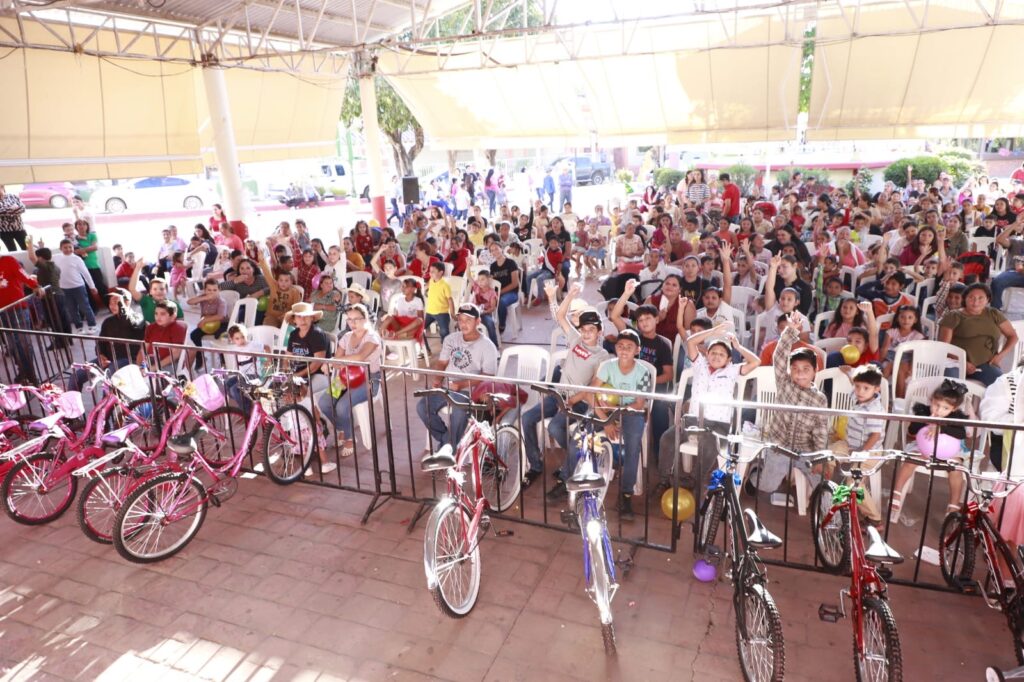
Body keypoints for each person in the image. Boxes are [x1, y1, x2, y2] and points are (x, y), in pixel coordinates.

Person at [655, 322, 759, 496]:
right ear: (707, 354)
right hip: (692, 419)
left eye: (721, 354)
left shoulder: (733, 370)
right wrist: (713, 332)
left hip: (718, 425)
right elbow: (690, 342)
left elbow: (755, 361)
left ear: (729, 359)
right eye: (713, 353)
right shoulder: (700, 365)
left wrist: (738, 347)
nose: (716, 356)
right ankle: (663, 479)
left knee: (709, 445)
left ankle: (695, 481)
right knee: (667, 439)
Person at [529, 286, 610, 493]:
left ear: (599, 332)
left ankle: (568, 471)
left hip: (580, 402)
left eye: (591, 330)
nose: (586, 333)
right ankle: (540, 464)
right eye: (583, 329)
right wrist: (568, 296)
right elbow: (561, 316)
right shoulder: (575, 340)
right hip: (559, 395)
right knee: (527, 419)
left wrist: (573, 400)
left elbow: (593, 387)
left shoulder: (602, 356)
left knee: (555, 428)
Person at [755, 312, 830, 506]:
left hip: (805, 450)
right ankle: (755, 477)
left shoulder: (819, 399)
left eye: (806, 369)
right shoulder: (784, 382)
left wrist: (819, 458)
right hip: (779, 446)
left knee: (824, 487)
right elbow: (779, 355)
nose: (800, 373)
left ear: (815, 372)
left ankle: (833, 524)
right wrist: (791, 331)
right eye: (795, 368)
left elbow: (821, 431)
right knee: (765, 487)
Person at [416, 303, 499, 448]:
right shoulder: (451, 339)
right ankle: (447, 441)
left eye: (468, 320)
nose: (463, 324)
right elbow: (442, 363)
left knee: (459, 413)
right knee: (423, 407)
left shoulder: (488, 346)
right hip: (448, 386)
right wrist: (437, 380)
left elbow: (488, 376)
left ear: (478, 322)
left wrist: (461, 385)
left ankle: (450, 449)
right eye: (460, 320)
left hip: (469, 390)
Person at [889, 379, 971, 522]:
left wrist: (941, 428)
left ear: (953, 409)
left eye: (945, 408)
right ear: (931, 400)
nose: (938, 410)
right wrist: (925, 422)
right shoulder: (925, 412)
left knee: (956, 469)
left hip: (949, 451)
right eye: (936, 405)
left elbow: (961, 434)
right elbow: (911, 431)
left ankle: (953, 504)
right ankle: (897, 491)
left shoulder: (955, 418)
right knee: (910, 460)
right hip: (924, 447)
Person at [589, 329, 650, 521]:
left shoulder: (643, 372)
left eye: (629, 347)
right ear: (615, 348)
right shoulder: (606, 366)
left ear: (637, 350)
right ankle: (585, 485)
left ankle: (626, 495)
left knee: (632, 448)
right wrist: (605, 419)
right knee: (584, 436)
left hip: (631, 413)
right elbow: (591, 393)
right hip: (605, 411)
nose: (624, 350)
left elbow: (639, 404)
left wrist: (615, 410)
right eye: (620, 346)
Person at [317, 303, 382, 459]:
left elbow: (360, 357)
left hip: (368, 379)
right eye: (349, 320)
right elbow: (338, 361)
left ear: (365, 319)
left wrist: (334, 360)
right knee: (324, 402)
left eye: (356, 320)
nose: (352, 324)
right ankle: (343, 428)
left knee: (342, 406)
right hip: (345, 377)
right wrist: (333, 362)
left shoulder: (372, 337)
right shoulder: (346, 337)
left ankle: (349, 438)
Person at [829, 365, 887, 526]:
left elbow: (875, 436)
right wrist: (849, 372)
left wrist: (861, 452)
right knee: (828, 455)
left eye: (866, 388)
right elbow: (853, 380)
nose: (860, 391)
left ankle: (874, 518)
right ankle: (825, 488)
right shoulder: (857, 397)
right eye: (857, 386)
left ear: (876, 390)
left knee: (852, 484)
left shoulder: (874, 409)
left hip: (870, 452)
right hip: (850, 445)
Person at [938, 283, 1018, 386]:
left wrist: (1000, 356)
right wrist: (963, 362)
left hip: (985, 363)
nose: (976, 302)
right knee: (951, 388)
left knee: (1002, 386)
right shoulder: (954, 316)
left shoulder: (994, 314)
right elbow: (944, 346)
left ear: (988, 300)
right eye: (971, 297)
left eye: (981, 298)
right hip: (955, 363)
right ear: (965, 299)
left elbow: (1012, 336)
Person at [69, 289, 146, 391]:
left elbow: (129, 322)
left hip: (128, 360)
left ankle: (108, 405)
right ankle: (73, 406)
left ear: (127, 302)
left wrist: (122, 305)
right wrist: (100, 355)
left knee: (109, 377)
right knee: (75, 377)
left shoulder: (138, 318)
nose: (112, 306)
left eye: (115, 302)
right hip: (109, 358)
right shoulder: (108, 321)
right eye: (110, 303)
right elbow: (100, 343)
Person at [50, 238, 99, 334]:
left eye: (70, 247)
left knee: (85, 307)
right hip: (64, 289)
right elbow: (46, 258)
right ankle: (79, 327)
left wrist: (92, 286)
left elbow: (86, 273)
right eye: (65, 247)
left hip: (79, 287)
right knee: (72, 309)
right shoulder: (55, 258)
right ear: (60, 248)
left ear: (73, 247)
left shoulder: (77, 259)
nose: (68, 249)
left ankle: (92, 325)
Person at [222, 324, 268, 415]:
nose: (241, 340)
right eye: (237, 338)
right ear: (232, 339)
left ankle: (246, 412)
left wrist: (268, 360)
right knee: (226, 385)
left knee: (234, 389)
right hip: (242, 375)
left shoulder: (253, 345)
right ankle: (247, 403)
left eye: (243, 337)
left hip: (254, 375)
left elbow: (266, 347)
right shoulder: (234, 348)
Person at [186, 278, 228, 370]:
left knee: (220, 336)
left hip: (221, 324)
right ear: (205, 290)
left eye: (214, 290)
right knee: (194, 335)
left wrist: (204, 320)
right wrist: (204, 297)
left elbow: (220, 316)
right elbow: (189, 302)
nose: (212, 292)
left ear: (219, 290)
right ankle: (200, 357)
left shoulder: (221, 301)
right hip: (206, 326)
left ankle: (223, 360)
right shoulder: (203, 298)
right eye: (209, 290)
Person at [257, 248, 302, 329]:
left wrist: (288, 314)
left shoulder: (295, 292)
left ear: (291, 282)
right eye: (281, 280)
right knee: (267, 329)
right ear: (277, 281)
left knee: (289, 330)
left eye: (286, 280)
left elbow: (297, 308)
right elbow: (267, 273)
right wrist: (262, 260)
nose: (283, 283)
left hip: (286, 317)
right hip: (272, 316)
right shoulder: (274, 286)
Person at [139, 300, 187, 370]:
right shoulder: (150, 327)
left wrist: (154, 367)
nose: (158, 317)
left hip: (169, 363)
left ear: (173, 315)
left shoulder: (177, 328)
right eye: (156, 313)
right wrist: (141, 365)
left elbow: (176, 354)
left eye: (162, 314)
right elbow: (144, 349)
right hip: (150, 361)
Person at [488, 242, 520, 336]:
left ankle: (501, 325)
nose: (495, 251)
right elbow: (492, 283)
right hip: (498, 294)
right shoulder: (492, 266)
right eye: (492, 250)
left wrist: (500, 292)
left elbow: (515, 283)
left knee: (501, 302)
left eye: (496, 249)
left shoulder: (511, 263)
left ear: (501, 249)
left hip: (512, 293)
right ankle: (490, 326)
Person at [73, 220, 106, 303]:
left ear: (87, 226)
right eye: (79, 224)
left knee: (101, 287)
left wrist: (81, 250)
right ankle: (93, 310)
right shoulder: (74, 239)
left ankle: (110, 306)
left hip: (94, 265)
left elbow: (95, 247)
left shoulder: (92, 235)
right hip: (81, 268)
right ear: (76, 227)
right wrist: (85, 250)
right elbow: (73, 252)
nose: (82, 226)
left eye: (84, 224)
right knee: (86, 289)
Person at [424, 261, 454, 344]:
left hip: (442, 313)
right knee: (420, 329)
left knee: (444, 332)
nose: (430, 273)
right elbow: (427, 287)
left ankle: (446, 348)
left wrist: (452, 313)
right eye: (430, 271)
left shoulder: (445, 285)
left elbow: (450, 300)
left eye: (433, 271)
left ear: (441, 273)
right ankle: (426, 350)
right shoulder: (431, 280)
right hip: (429, 312)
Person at [470, 269, 500, 347]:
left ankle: (494, 347)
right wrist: (468, 265)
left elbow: (493, 308)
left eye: (482, 279)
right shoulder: (477, 287)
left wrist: (483, 312)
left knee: (490, 323)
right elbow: (469, 277)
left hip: (485, 314)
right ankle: (467, 345)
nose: (480, 282)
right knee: (462, 322)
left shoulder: (492, 292)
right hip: (474, 313)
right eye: (479, 280)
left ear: (489, 279)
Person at [0, 185, 27, 251]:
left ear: (3, 188)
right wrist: (13, 209)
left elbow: (22, 208)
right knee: (12, 250)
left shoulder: (13, 196)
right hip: (4, 231)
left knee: (26, 248)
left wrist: (5, 211)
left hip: (19, 228)